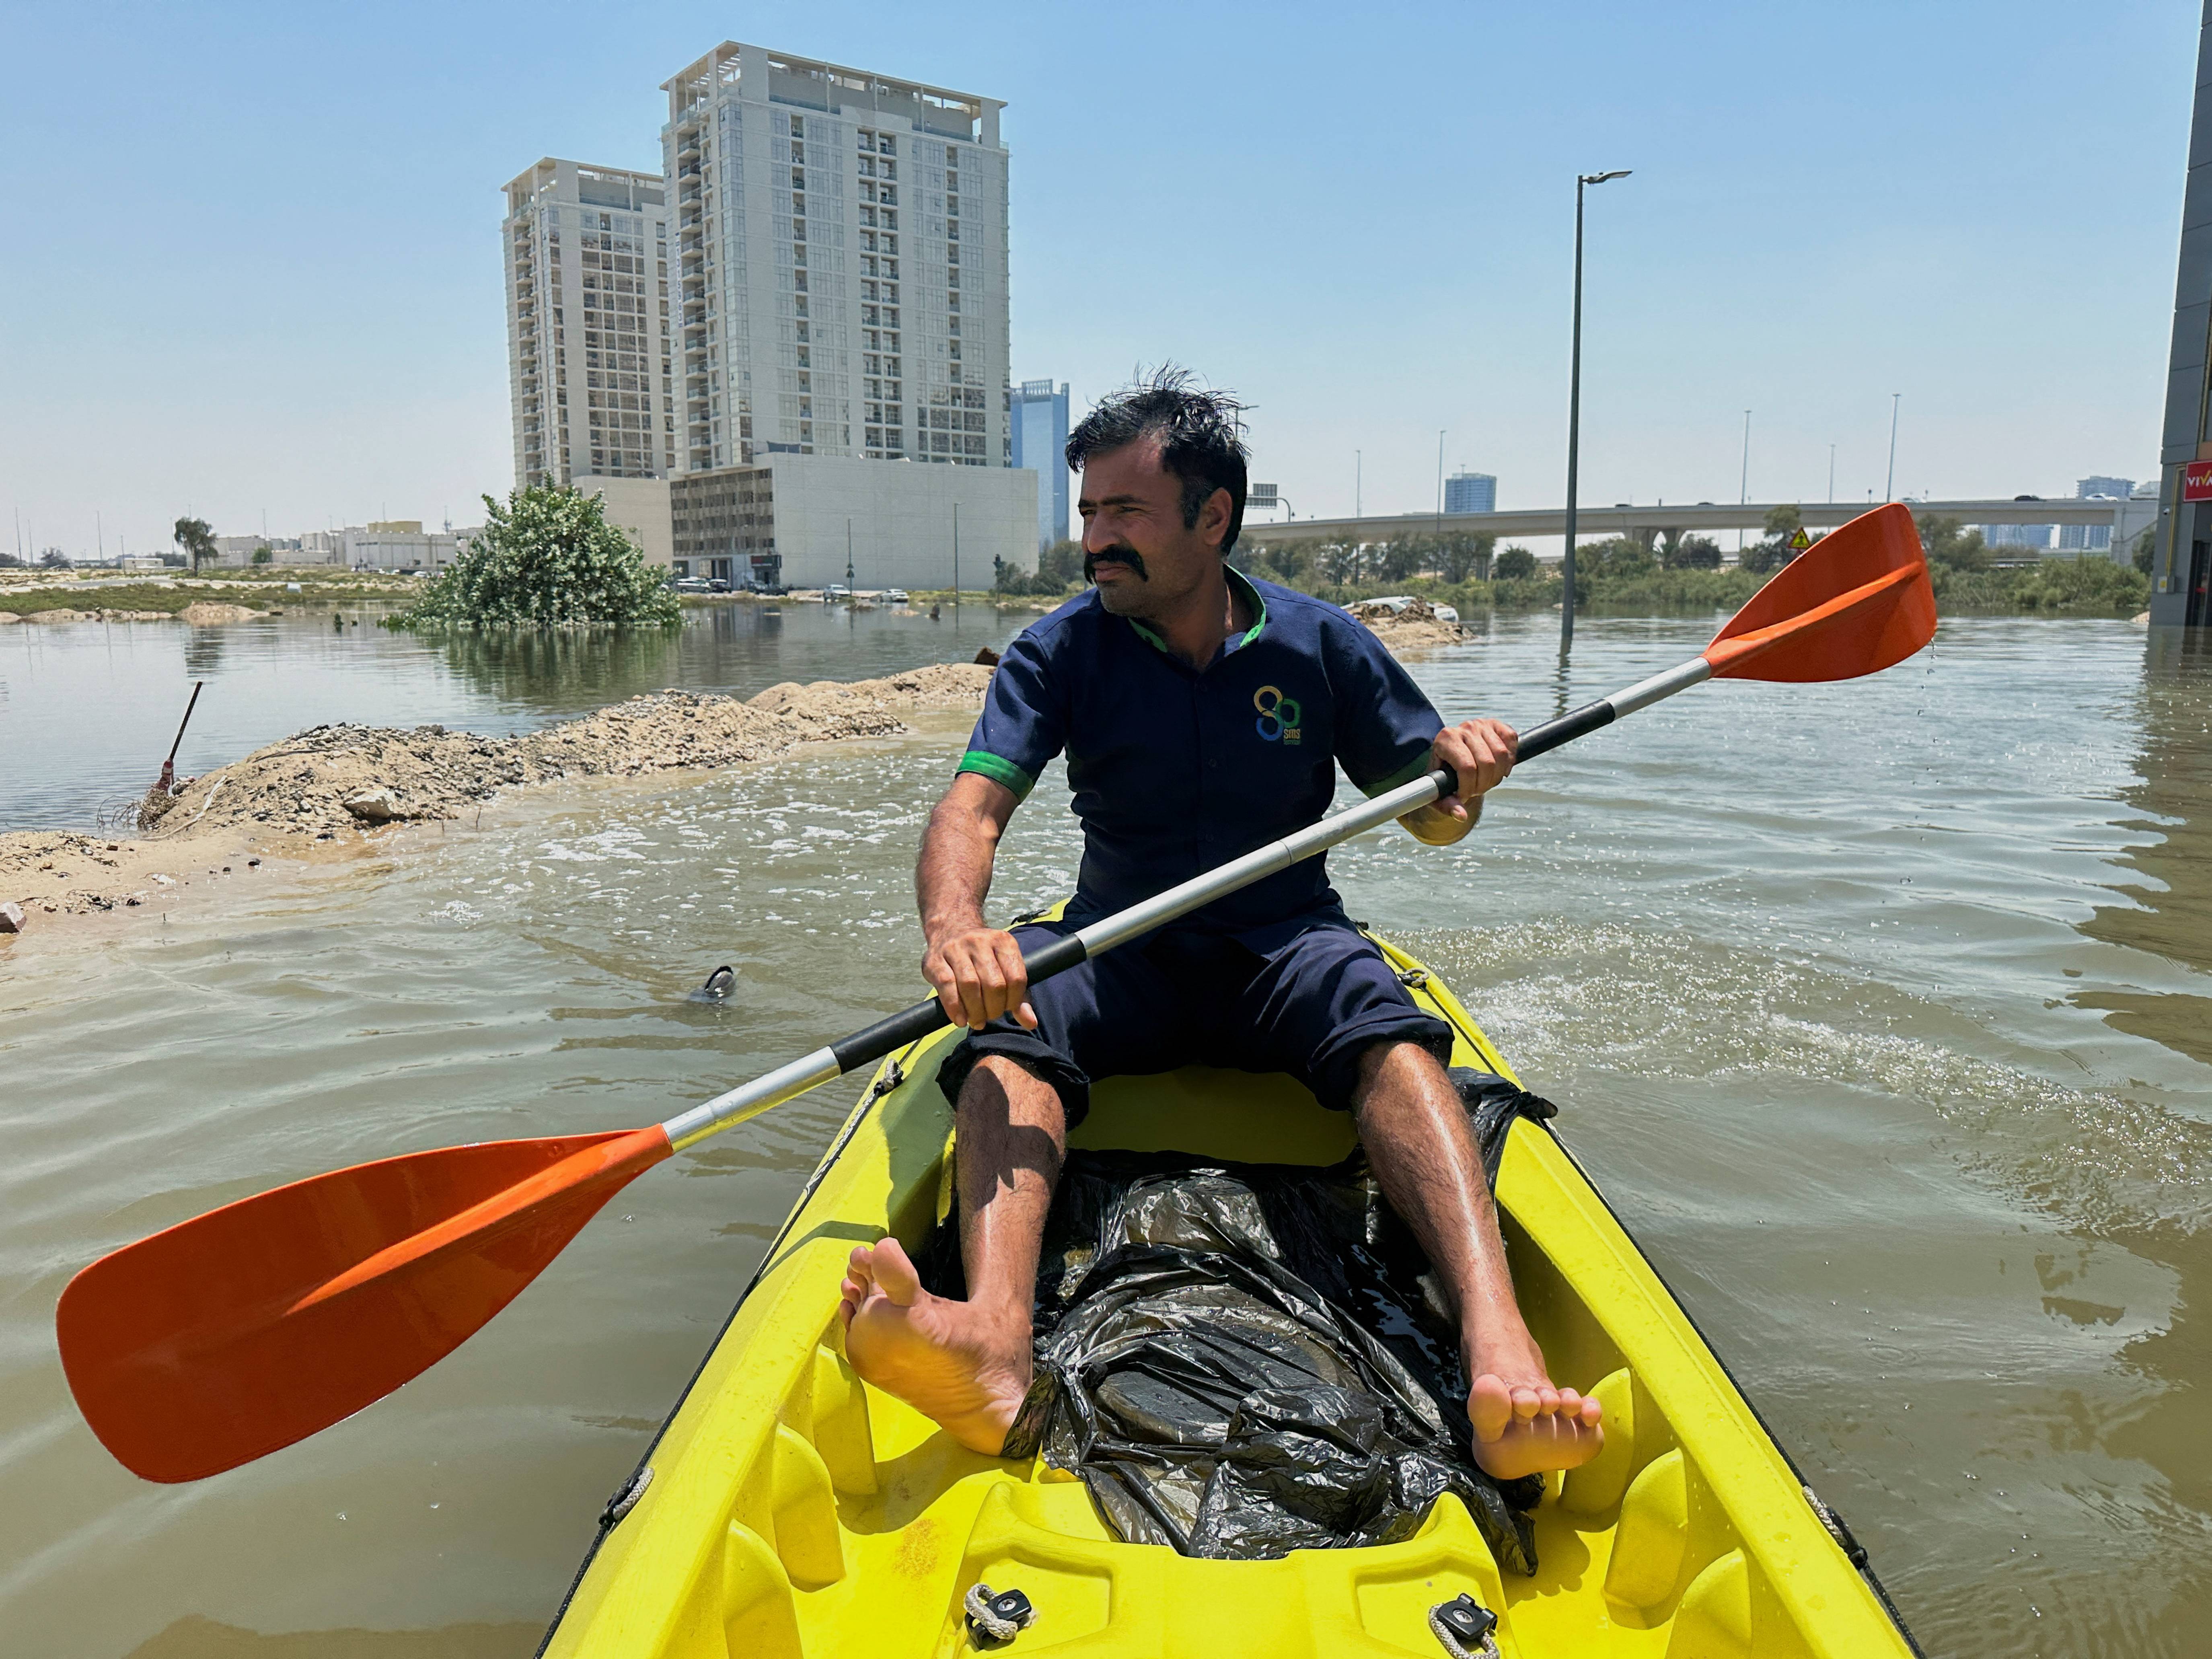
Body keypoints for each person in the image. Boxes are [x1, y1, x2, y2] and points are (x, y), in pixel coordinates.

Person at [839, 370, 1601, 1481]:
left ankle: (1499, 1347)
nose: (1094, 540)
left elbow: (1431, 821)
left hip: (1286, 945)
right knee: (1006, 1037)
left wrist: (1463, 782)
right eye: (1089, 513)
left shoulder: (1323, 646)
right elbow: (971, 807)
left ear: (1213, 518)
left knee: (1391, 1039)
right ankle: (996, 1344)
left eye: (1124, 515)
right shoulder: (1060, 650)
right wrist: (957, 929)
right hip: (1116, 944)